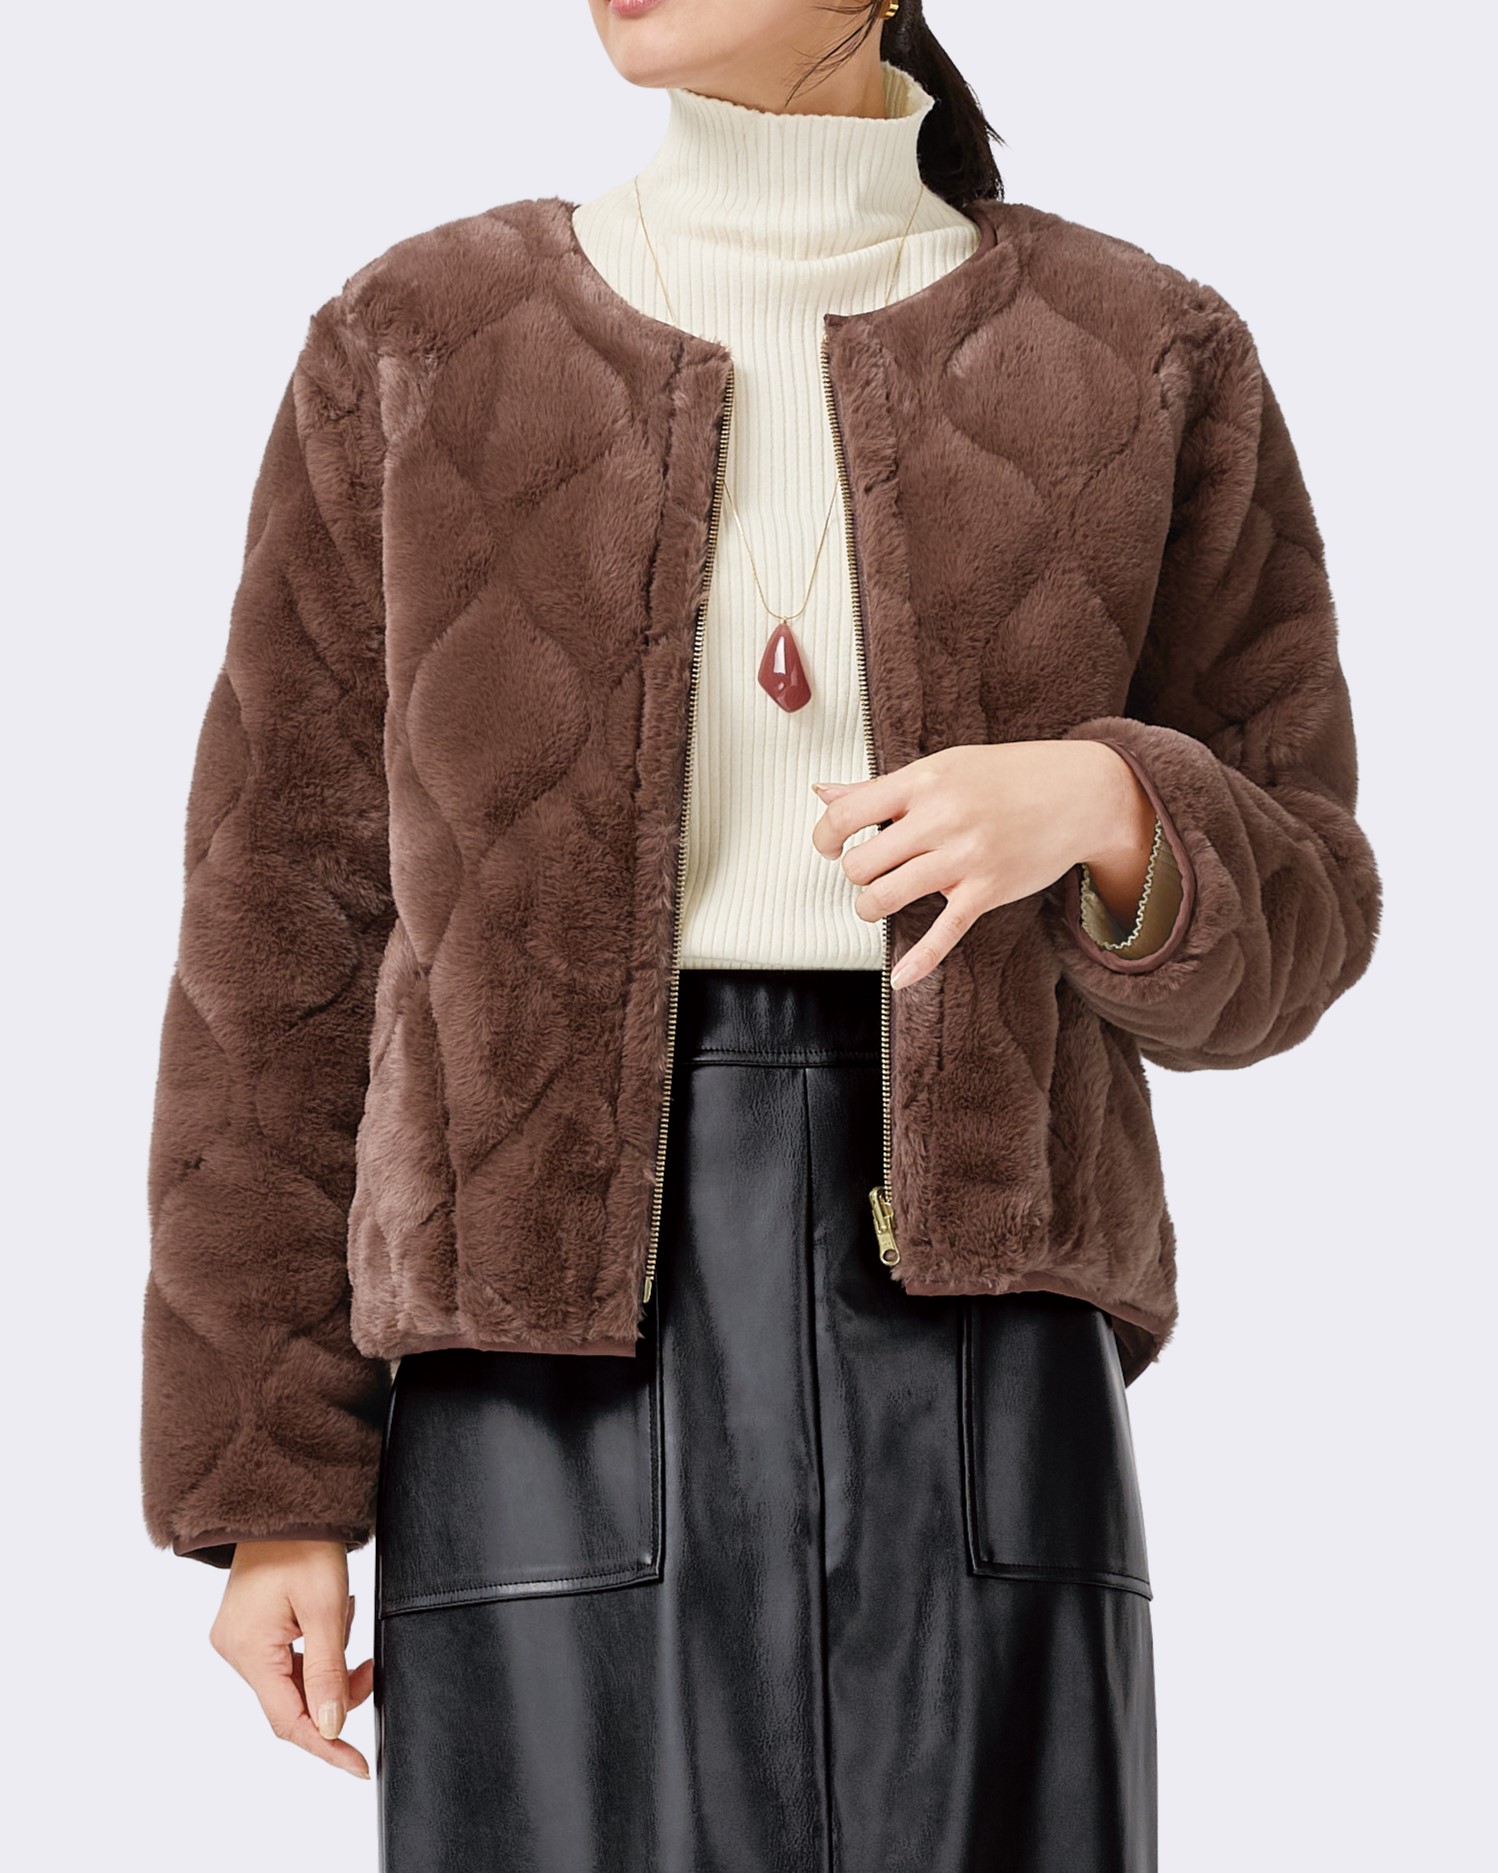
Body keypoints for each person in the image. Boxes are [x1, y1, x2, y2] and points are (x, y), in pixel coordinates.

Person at [138, 2, 1384, 1868]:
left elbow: (1309, 904)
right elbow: (277, 938)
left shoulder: (1138, 350)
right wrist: (273, 1489)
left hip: (980, 1349)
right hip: (535, 1362)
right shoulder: (420, 343)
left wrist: (1109, 807)